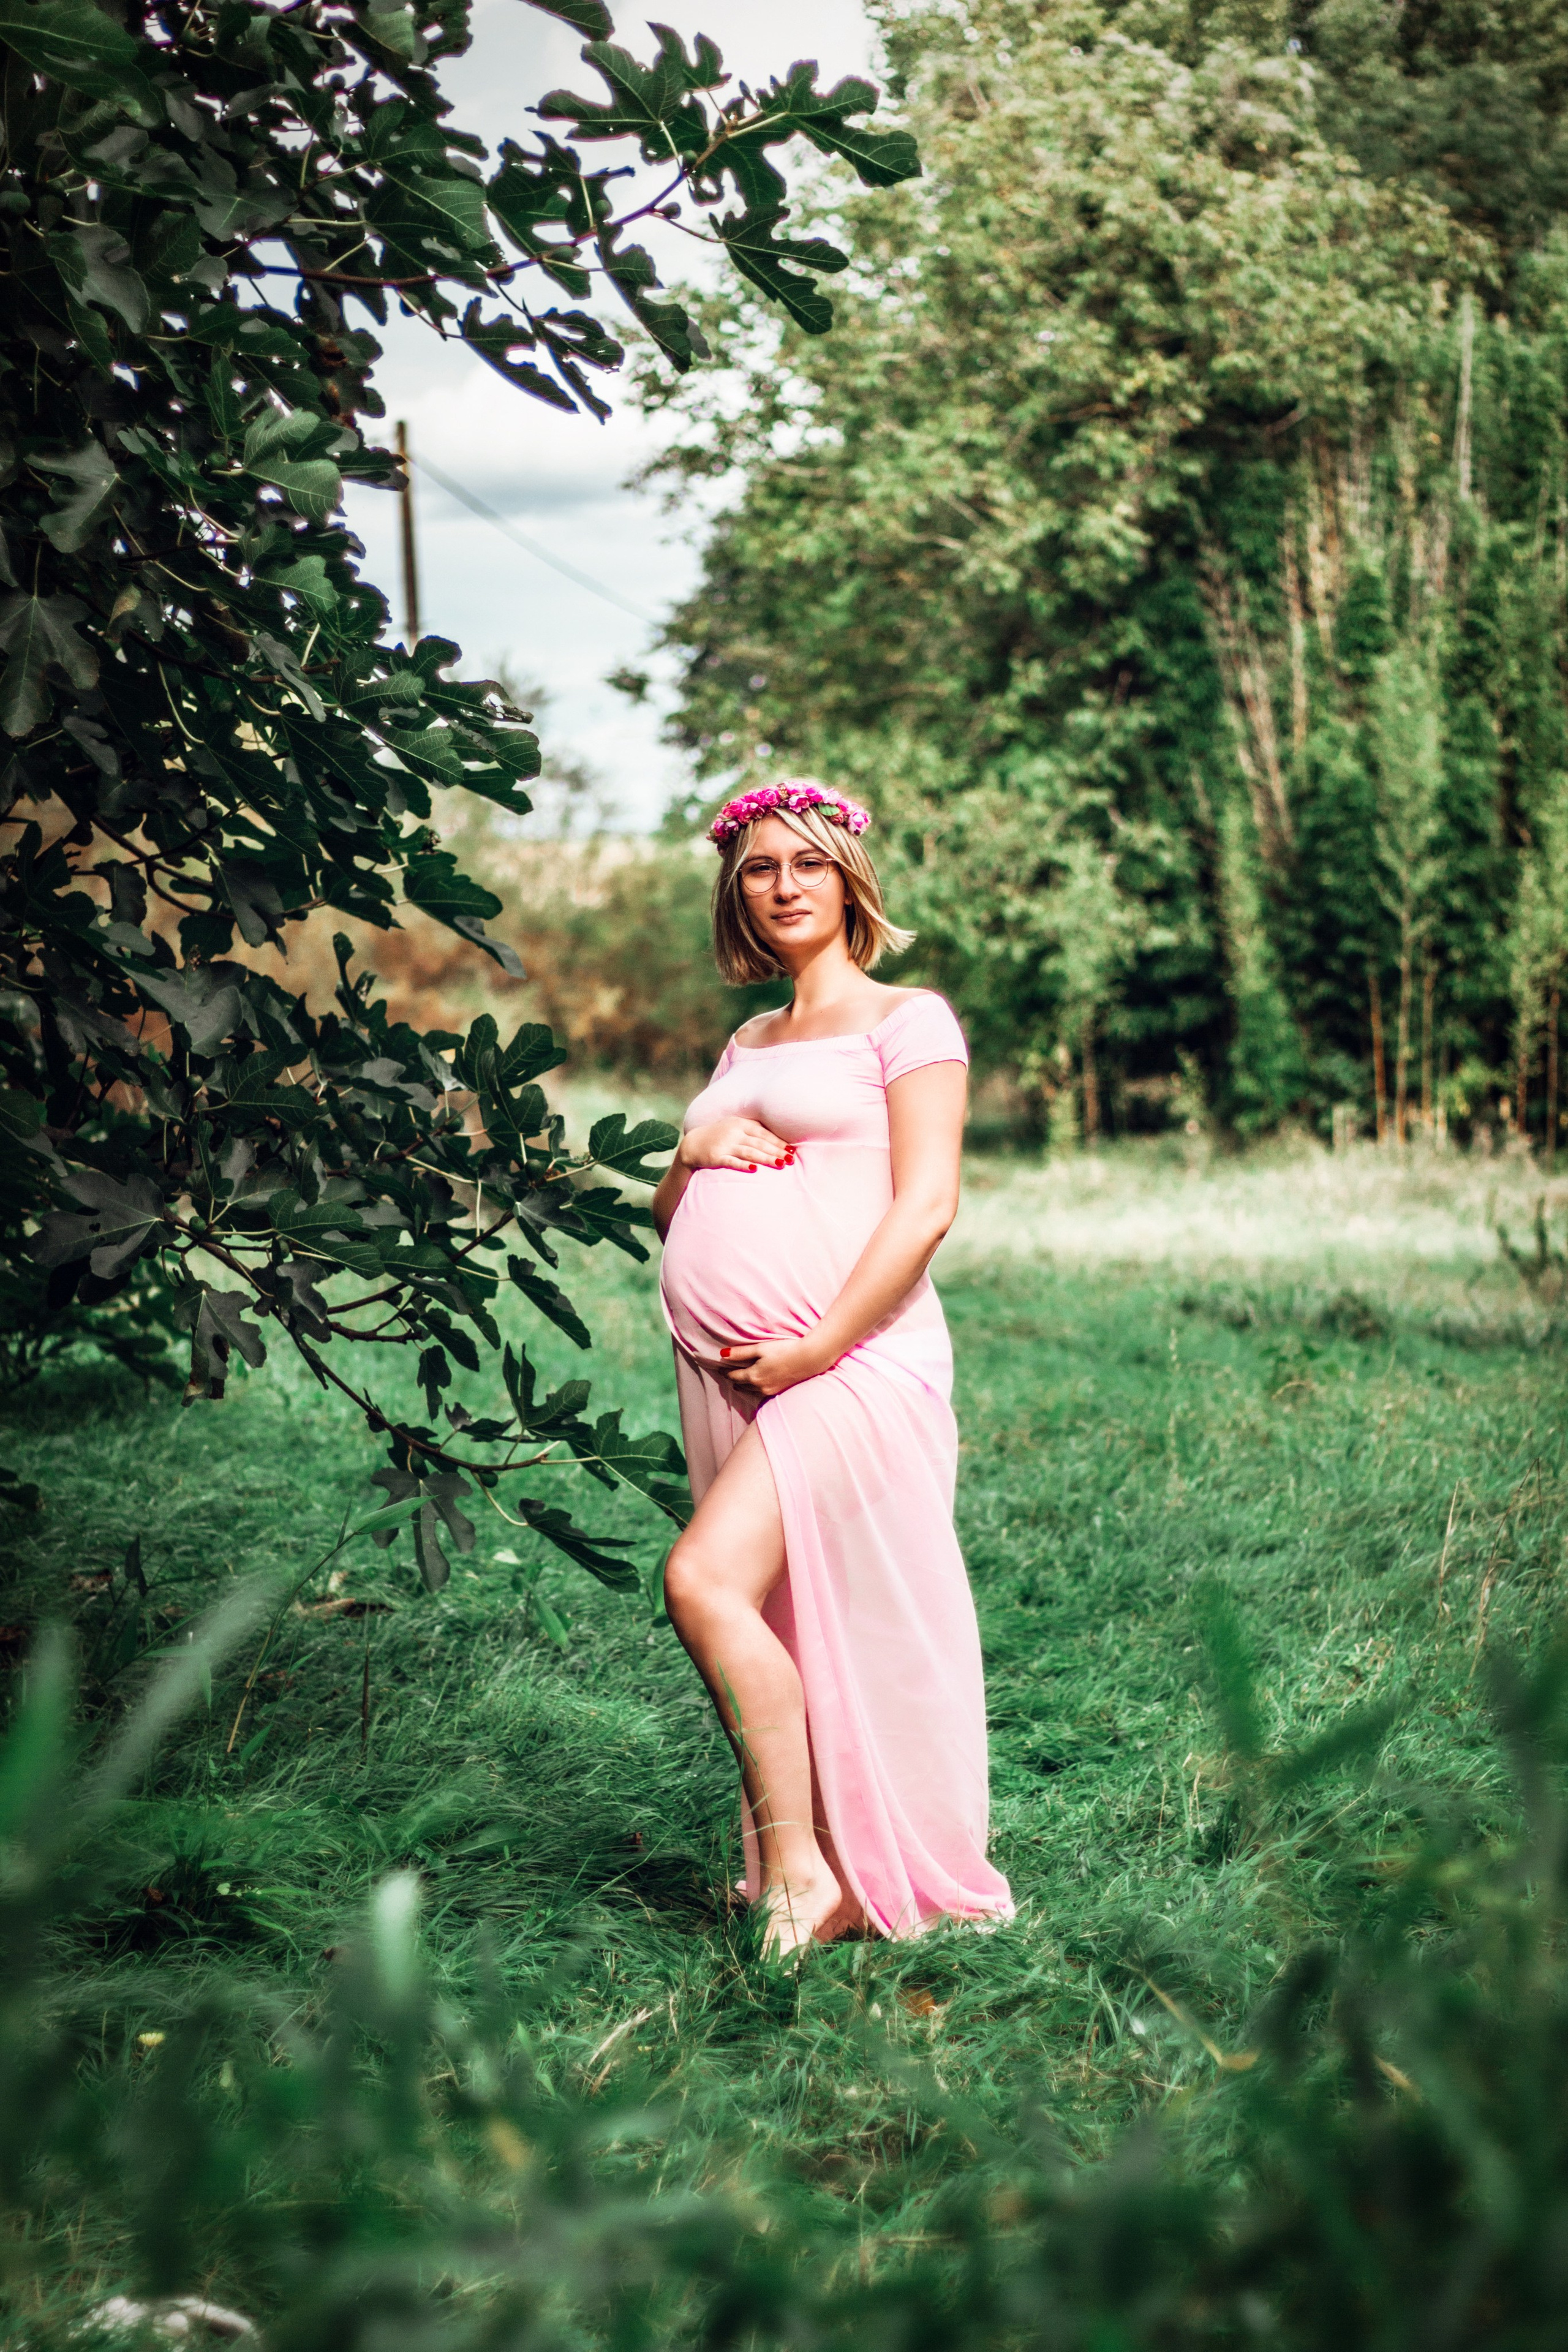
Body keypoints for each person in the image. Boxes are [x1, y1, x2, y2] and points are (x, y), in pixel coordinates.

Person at [651, 777, 1014, 1958]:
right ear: (736, 892)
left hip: (853, 1357)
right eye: (760, 868)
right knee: (779, 1611)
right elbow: (675, 1208)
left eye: (806, 863)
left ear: (849, 876)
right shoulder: (746, 1040)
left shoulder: (912, 1021)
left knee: (704, 1582)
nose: (784, 885)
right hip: (736, 1371)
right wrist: (690, 1145)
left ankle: (806, 1872)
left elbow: (926, 1209)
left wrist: (816, 1347)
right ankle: (810, 1874)